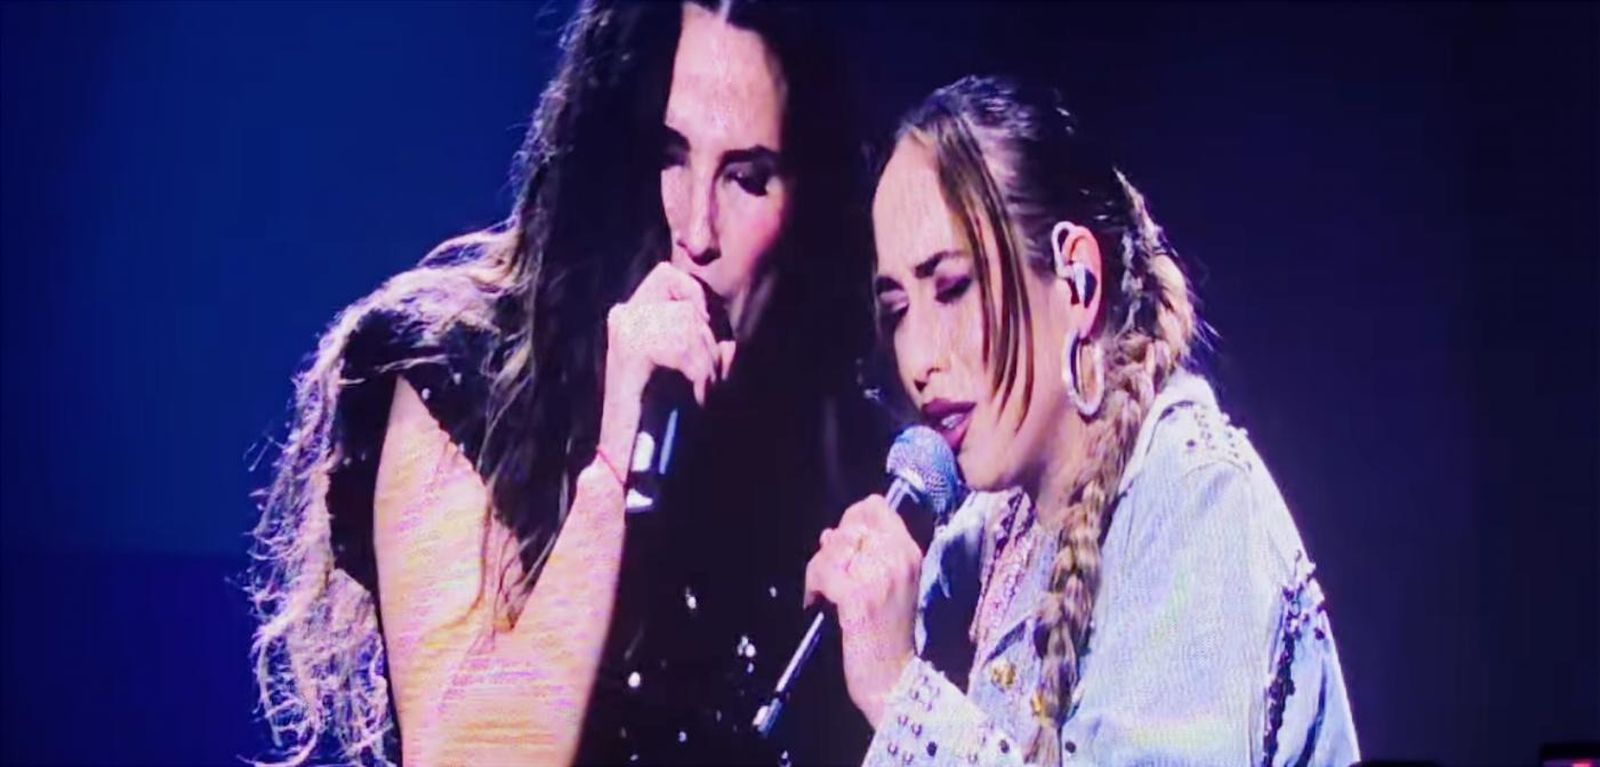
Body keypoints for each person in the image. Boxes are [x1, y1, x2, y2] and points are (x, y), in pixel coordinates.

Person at [248, 2, 879, 763]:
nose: (698, 230)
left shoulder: (853, 455)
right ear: (609, 153)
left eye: (747, 177)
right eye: (668, 154)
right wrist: (612, 470)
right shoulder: (456, 374)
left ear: (809, 200)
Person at [804, 75, 1359, 765]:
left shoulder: (1199, 499)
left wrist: (900, 696)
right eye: (897, 309)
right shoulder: (984, 535)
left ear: (1077, 282)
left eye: (951, 287)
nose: (917, 359)